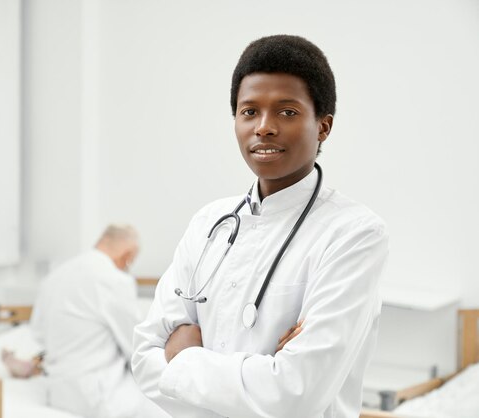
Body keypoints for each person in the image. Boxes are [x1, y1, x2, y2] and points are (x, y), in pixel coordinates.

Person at [132, 35, 389, 418]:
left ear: (323, 126)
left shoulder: (354, 234)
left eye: (287, 112)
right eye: (249, 111)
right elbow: (144, 360)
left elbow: (295, 396)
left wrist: (184, 358)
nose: (264, 127)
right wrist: (261, 372)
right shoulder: (208, 225)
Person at [31, 224, 168, 418]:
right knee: (163, 405)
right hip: (97, 398)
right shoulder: (114, 280)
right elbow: (136, 345)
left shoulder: (54, 276)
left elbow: (38, 333)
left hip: (57, 393)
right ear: (128, 256)